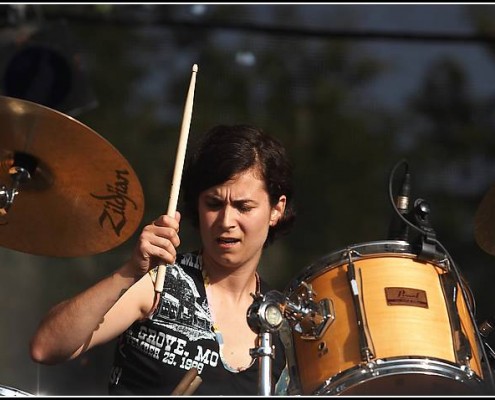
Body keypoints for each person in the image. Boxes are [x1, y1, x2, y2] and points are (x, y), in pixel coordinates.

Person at [30, 124, 296, 396]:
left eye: (243, 207)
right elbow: (46, 346)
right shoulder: (160, 281)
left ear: (277, 209)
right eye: (213, 204)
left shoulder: (282, 321)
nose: (226, 222)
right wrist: (131, 270)